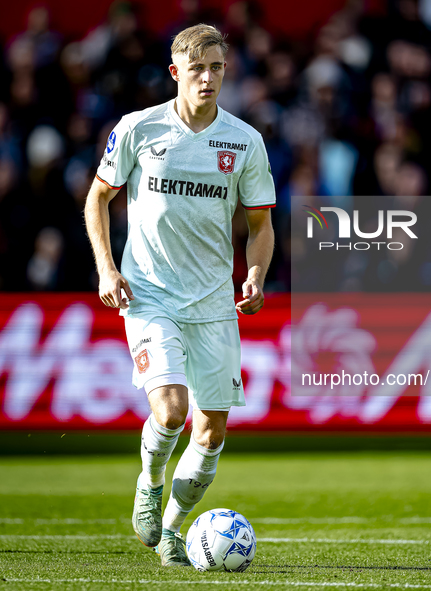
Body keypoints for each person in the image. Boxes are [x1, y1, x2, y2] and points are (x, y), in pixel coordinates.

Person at [84, 24, 275, 567]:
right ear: (176, 73)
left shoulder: (244, 142)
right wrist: (106, 268)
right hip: (149, 292)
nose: (208, 78)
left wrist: (256, 273)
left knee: (211, 431)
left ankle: (172, 529)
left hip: (214, 301)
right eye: (197, 69)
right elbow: (97, 199)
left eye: (216, 68)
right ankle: (148, 481)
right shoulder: (138, 129)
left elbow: (260, 224)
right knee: (171, 411)